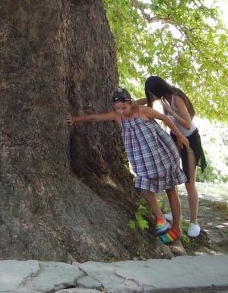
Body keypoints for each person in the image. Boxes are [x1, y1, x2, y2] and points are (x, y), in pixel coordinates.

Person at [67, 88, 189, 244]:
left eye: (123, 108)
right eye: (117, 108)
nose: (121, 111)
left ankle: (177, 228)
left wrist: (180, 136)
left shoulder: (142, 111)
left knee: (171, 188)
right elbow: (95, 117)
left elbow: (164, 118)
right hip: (143, 160)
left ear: (130, 103)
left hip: (160, 153)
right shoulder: (117, 117)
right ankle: (161, 218)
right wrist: (75, 120)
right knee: (145, 187)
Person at [140, 75, 207, 238]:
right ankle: (175, 213)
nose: (151, 97)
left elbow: (187, 123)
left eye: (152, 93)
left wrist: (170, 112)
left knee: (189, 182)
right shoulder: (163, 97)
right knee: (172, 176)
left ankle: (193, 222)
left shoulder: (176, 98)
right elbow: (144, 102)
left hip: (190, 140)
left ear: (158, 89)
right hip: (175, 138)